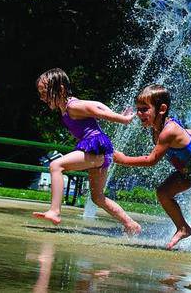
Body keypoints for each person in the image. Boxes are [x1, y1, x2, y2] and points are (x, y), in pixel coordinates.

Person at [113, 84, 191, 256]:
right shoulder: (158, 126)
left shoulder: (168, 131)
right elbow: (182, 131)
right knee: (163, 192)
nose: (139, 114)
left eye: (144, 109)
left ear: (161, 109)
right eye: (138, 109)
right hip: (188, 170)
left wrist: (123, 159)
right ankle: (183, 227)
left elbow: (151, 160)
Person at [33, 68, 141, 234]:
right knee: (97, 197)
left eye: (45, 92)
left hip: (95, 147)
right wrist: (114, 113)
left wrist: (123, 119)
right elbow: (95, 104)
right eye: (40, 93)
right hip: (99, 151)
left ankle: (55, 211)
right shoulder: (69, 106)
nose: (42, 97)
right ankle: (131, 224)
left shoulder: (72, 106)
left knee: (56, 166)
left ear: (60, 90)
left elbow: (94, 110)